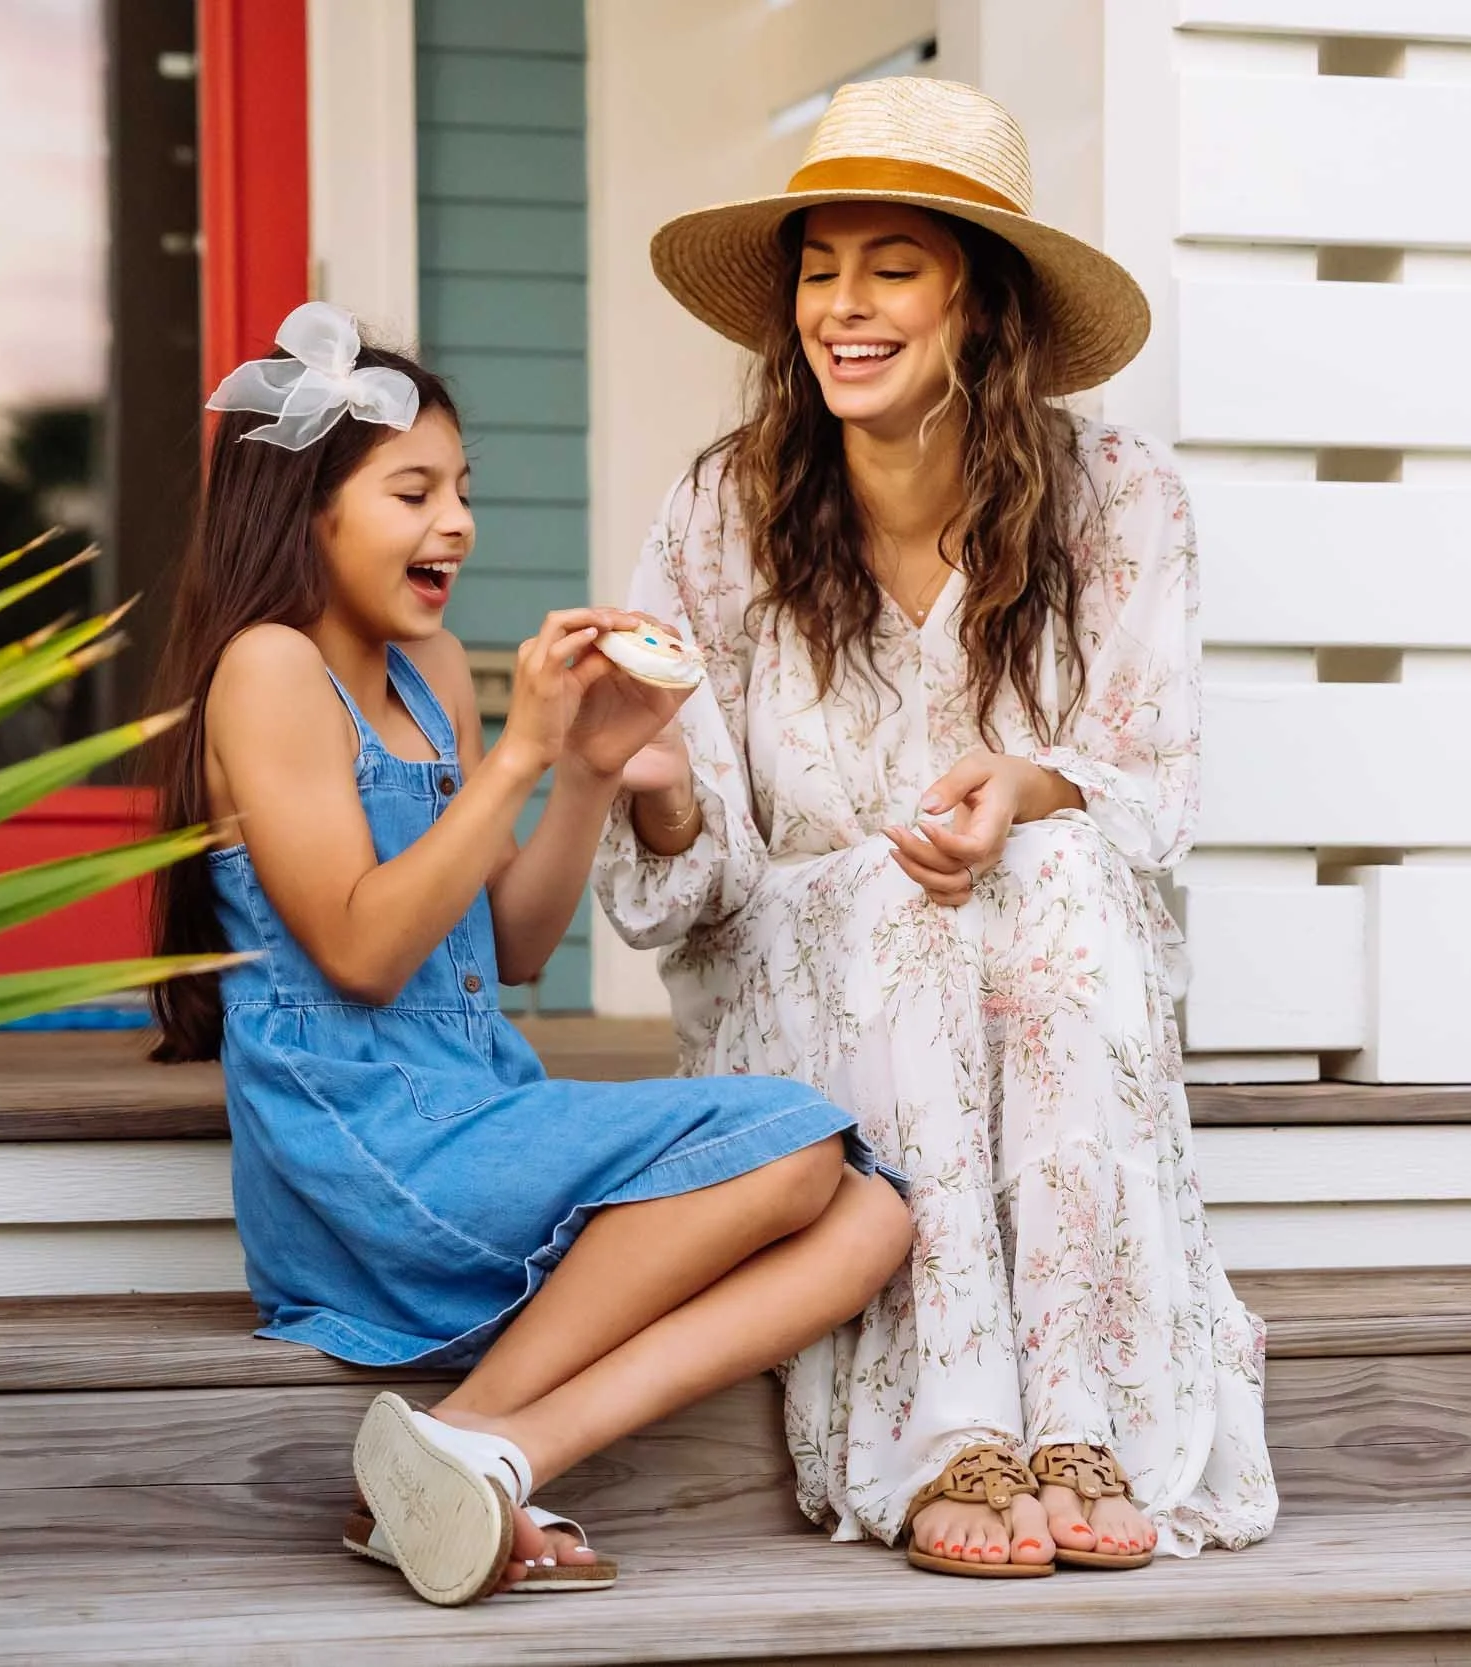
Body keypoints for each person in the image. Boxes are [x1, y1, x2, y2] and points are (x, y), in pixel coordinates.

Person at [595, 78, 1278, 1577]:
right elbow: (680, 895)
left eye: (891, 264)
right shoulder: (720, 513)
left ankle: (1081, 1409)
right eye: (820, 267)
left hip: (1045, 975)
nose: (844, 305)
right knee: (906, 894)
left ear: (982, 302)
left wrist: (1028, 785)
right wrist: (646, 782)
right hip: (809, 988)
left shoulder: (1125, 503)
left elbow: (1153, 788)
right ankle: (956, 1423)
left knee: (1058, 861)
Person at [142, 302, 912, 1607]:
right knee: (795, 1137)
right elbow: (365, 950)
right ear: (307, 512)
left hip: (482, 1114)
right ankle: (455, 1447)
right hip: (369, 1155)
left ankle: (486, 1446)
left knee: (876, 1213)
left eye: (461, 490)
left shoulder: (431, 664)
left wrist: (587, 774)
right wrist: (519, 751)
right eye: (413, 491)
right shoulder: (267, 671)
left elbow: (506, 944)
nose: (457, 523)